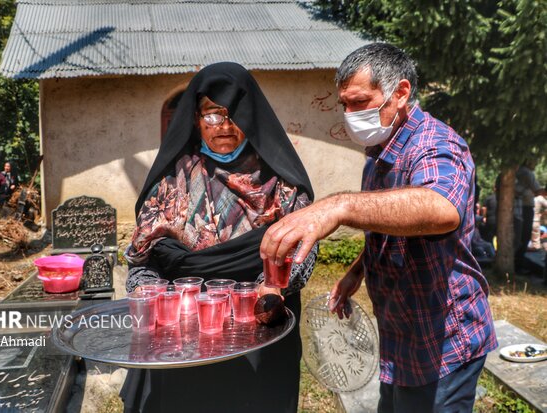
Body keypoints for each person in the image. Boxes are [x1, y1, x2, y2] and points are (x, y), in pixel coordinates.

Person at [260, 43, 498, 413]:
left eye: (359, 102)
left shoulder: (436, 144)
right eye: (344, 105)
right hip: (400, 335)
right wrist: (358, 270)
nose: (349, 114)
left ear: (400, 93)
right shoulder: (381, 152)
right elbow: (391, 223)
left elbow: (440, 207)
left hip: (444, 342)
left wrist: (339, 206)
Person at [120, 62, 317, 413]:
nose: (224, 127)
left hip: (257, 331)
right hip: (182, 335)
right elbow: (142, 258)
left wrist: (269, 290)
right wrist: (150, 295)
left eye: (234, 115)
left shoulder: (278, 180)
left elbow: (304, 246)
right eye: (212, 115)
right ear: (196, 119)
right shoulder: (172, 179)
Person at [514, 159, 546, 270]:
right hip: (525, 208)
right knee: (524, 236)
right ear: (528, 161)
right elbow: (538, 190)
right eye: (534, 161)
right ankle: (519, 264)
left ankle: (517, 262)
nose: (535, 164)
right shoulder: (527, 172)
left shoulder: (519, 171)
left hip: (520, 207)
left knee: (520, 236)